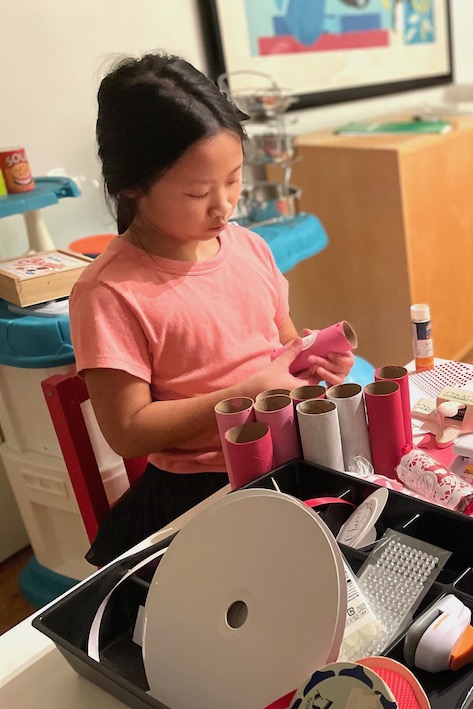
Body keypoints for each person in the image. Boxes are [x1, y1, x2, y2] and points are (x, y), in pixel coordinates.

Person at [70, 53, 354, 566]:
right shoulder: (111, 292)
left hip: (287, 458)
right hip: (201, 490)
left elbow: (283, 349)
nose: (224, 206)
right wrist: (242, 394)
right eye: (199, 191)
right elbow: (127, 431)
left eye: (234, 180)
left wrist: (314, 364)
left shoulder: (248, 247)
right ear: (132, 184)